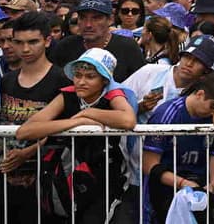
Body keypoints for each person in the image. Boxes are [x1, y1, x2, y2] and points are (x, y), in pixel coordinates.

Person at [16, 48, 136, 223]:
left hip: (108, 178)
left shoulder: (113, 94)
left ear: (104, 80)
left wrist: (91, 112)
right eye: (77, 75)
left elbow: (128, 120)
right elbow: (24, 131)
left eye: (90, 76)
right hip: (70, 173)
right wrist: (77, 122)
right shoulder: (68, 94)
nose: (81, 81)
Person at [0, 11, 71, 221]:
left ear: (47, 41)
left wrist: (28, 152)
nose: (25, 49)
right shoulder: (6, 81)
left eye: (33, 42)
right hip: (4, 178)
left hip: (46, 182)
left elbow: (67, 130)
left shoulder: (62, 80)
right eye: (18, 42)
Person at [142, 70, 214, 222]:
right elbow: (149, 164)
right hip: (164, 187)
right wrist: (183, 184)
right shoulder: (168, 114)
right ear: (200, 94)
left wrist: (212, 185)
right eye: (212, 107)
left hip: (199, 191)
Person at [51, 0, 145, 82]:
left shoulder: (127, 48)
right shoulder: (66, 46)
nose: (88, 25)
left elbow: (141, 84)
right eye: (83, 18)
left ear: (110, 20)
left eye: (96, 18)